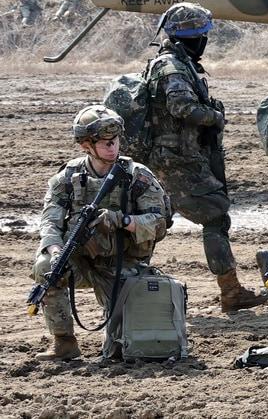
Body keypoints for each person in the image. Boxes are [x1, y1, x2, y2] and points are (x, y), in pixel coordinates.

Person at [145, 2, 265, 311]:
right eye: (202, 35)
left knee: (155, 219)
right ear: (192, 37)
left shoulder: (174, 62)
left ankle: (130, 283)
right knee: (214, 216)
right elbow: (181, 107)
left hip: (175, 157)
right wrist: (214, 116)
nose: (205, 40)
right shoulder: (173, 67)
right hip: (177, 160)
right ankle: (231, 293)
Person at [32, 106, 169, 361]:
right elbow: (50, 222)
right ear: (86, 145)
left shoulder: (137, 176)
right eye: (106, 143)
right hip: (81, 261)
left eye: (115, 141)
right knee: (46, 267)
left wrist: (122, 221)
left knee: (120, 351)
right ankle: (64, 342)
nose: (113, 147)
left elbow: (159, 224)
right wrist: (56, 251)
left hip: (124, 264)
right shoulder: (68, 177)